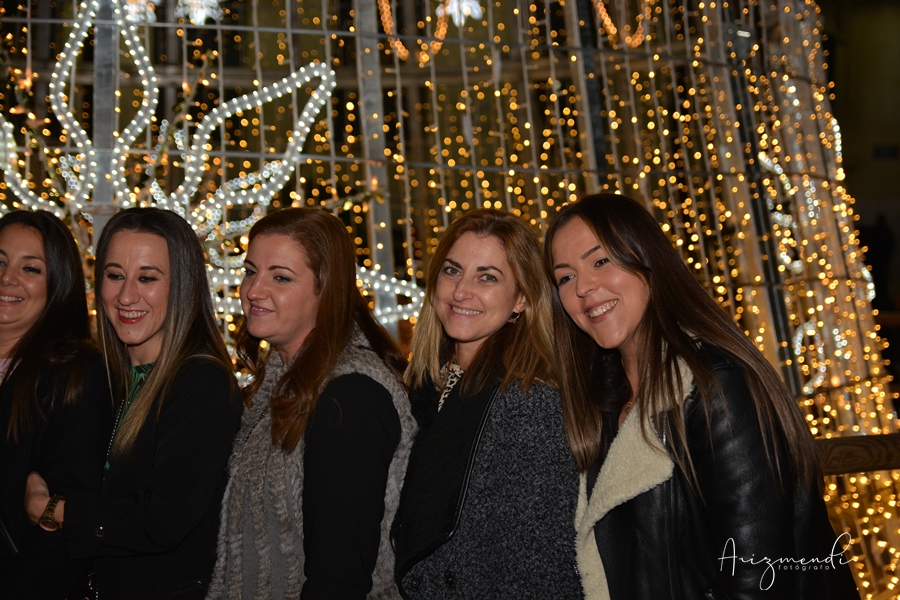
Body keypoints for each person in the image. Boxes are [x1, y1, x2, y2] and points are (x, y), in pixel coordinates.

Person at [545, 193, 858, 599]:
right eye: (565, 277)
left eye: (601, 261)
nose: (584, 287)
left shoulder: (715, 385)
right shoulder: (597, 399)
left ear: (647, 259)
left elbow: (759, 577)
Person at [24, 207, 243, 599]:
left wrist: (54, 509)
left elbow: (162, 520)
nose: (126, 296)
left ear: (183, 286)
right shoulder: (116, 377)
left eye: (147, 278)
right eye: (115, 276)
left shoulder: (200, 381)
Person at [206, 208, 415, 599]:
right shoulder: (279, 381)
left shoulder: (350, 395)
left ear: (326, 290)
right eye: (250, 271)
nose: (253, 291)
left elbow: (339, 576)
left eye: (280, 277)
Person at [391, 209, 582, 599]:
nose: (461, 291)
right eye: (452, 271)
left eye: (487, 277)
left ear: (521, 298)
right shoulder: (424, 386)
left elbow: (540, 569)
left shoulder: (531, 401)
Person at [0, 210, 112, 598]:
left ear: (58, 284)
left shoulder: (77, 374)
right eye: (0, 262)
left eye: (30, 269)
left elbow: (61, 539)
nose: (8, 278)